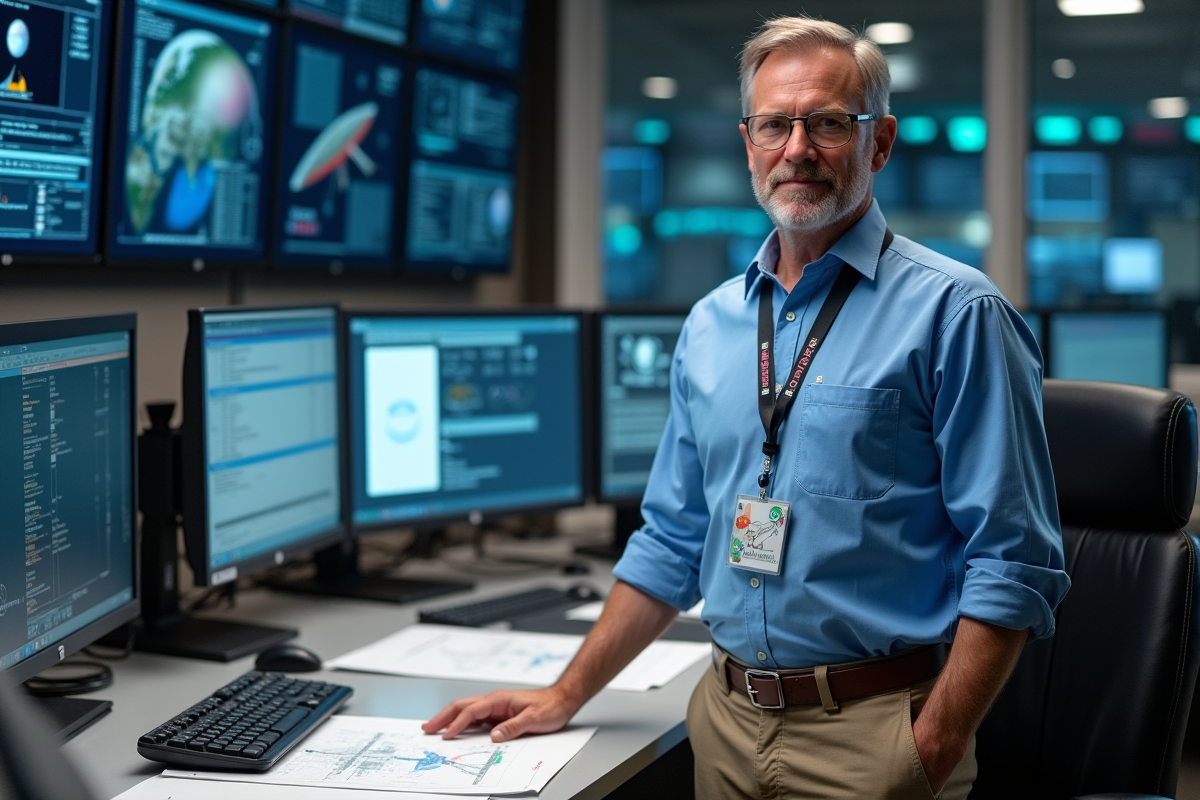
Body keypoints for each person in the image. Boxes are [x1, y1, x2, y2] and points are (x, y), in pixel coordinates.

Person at [424, 15, 1070, 799]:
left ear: (881, 141)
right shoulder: (711, 325)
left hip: (875, 738)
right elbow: (671, 540)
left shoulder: (958, 313)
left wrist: (930, 745)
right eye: (775, 125)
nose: (797, 149)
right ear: (748, 143)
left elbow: (1013, 559)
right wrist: (566, 694)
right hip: (725, 725)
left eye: (828, 123)